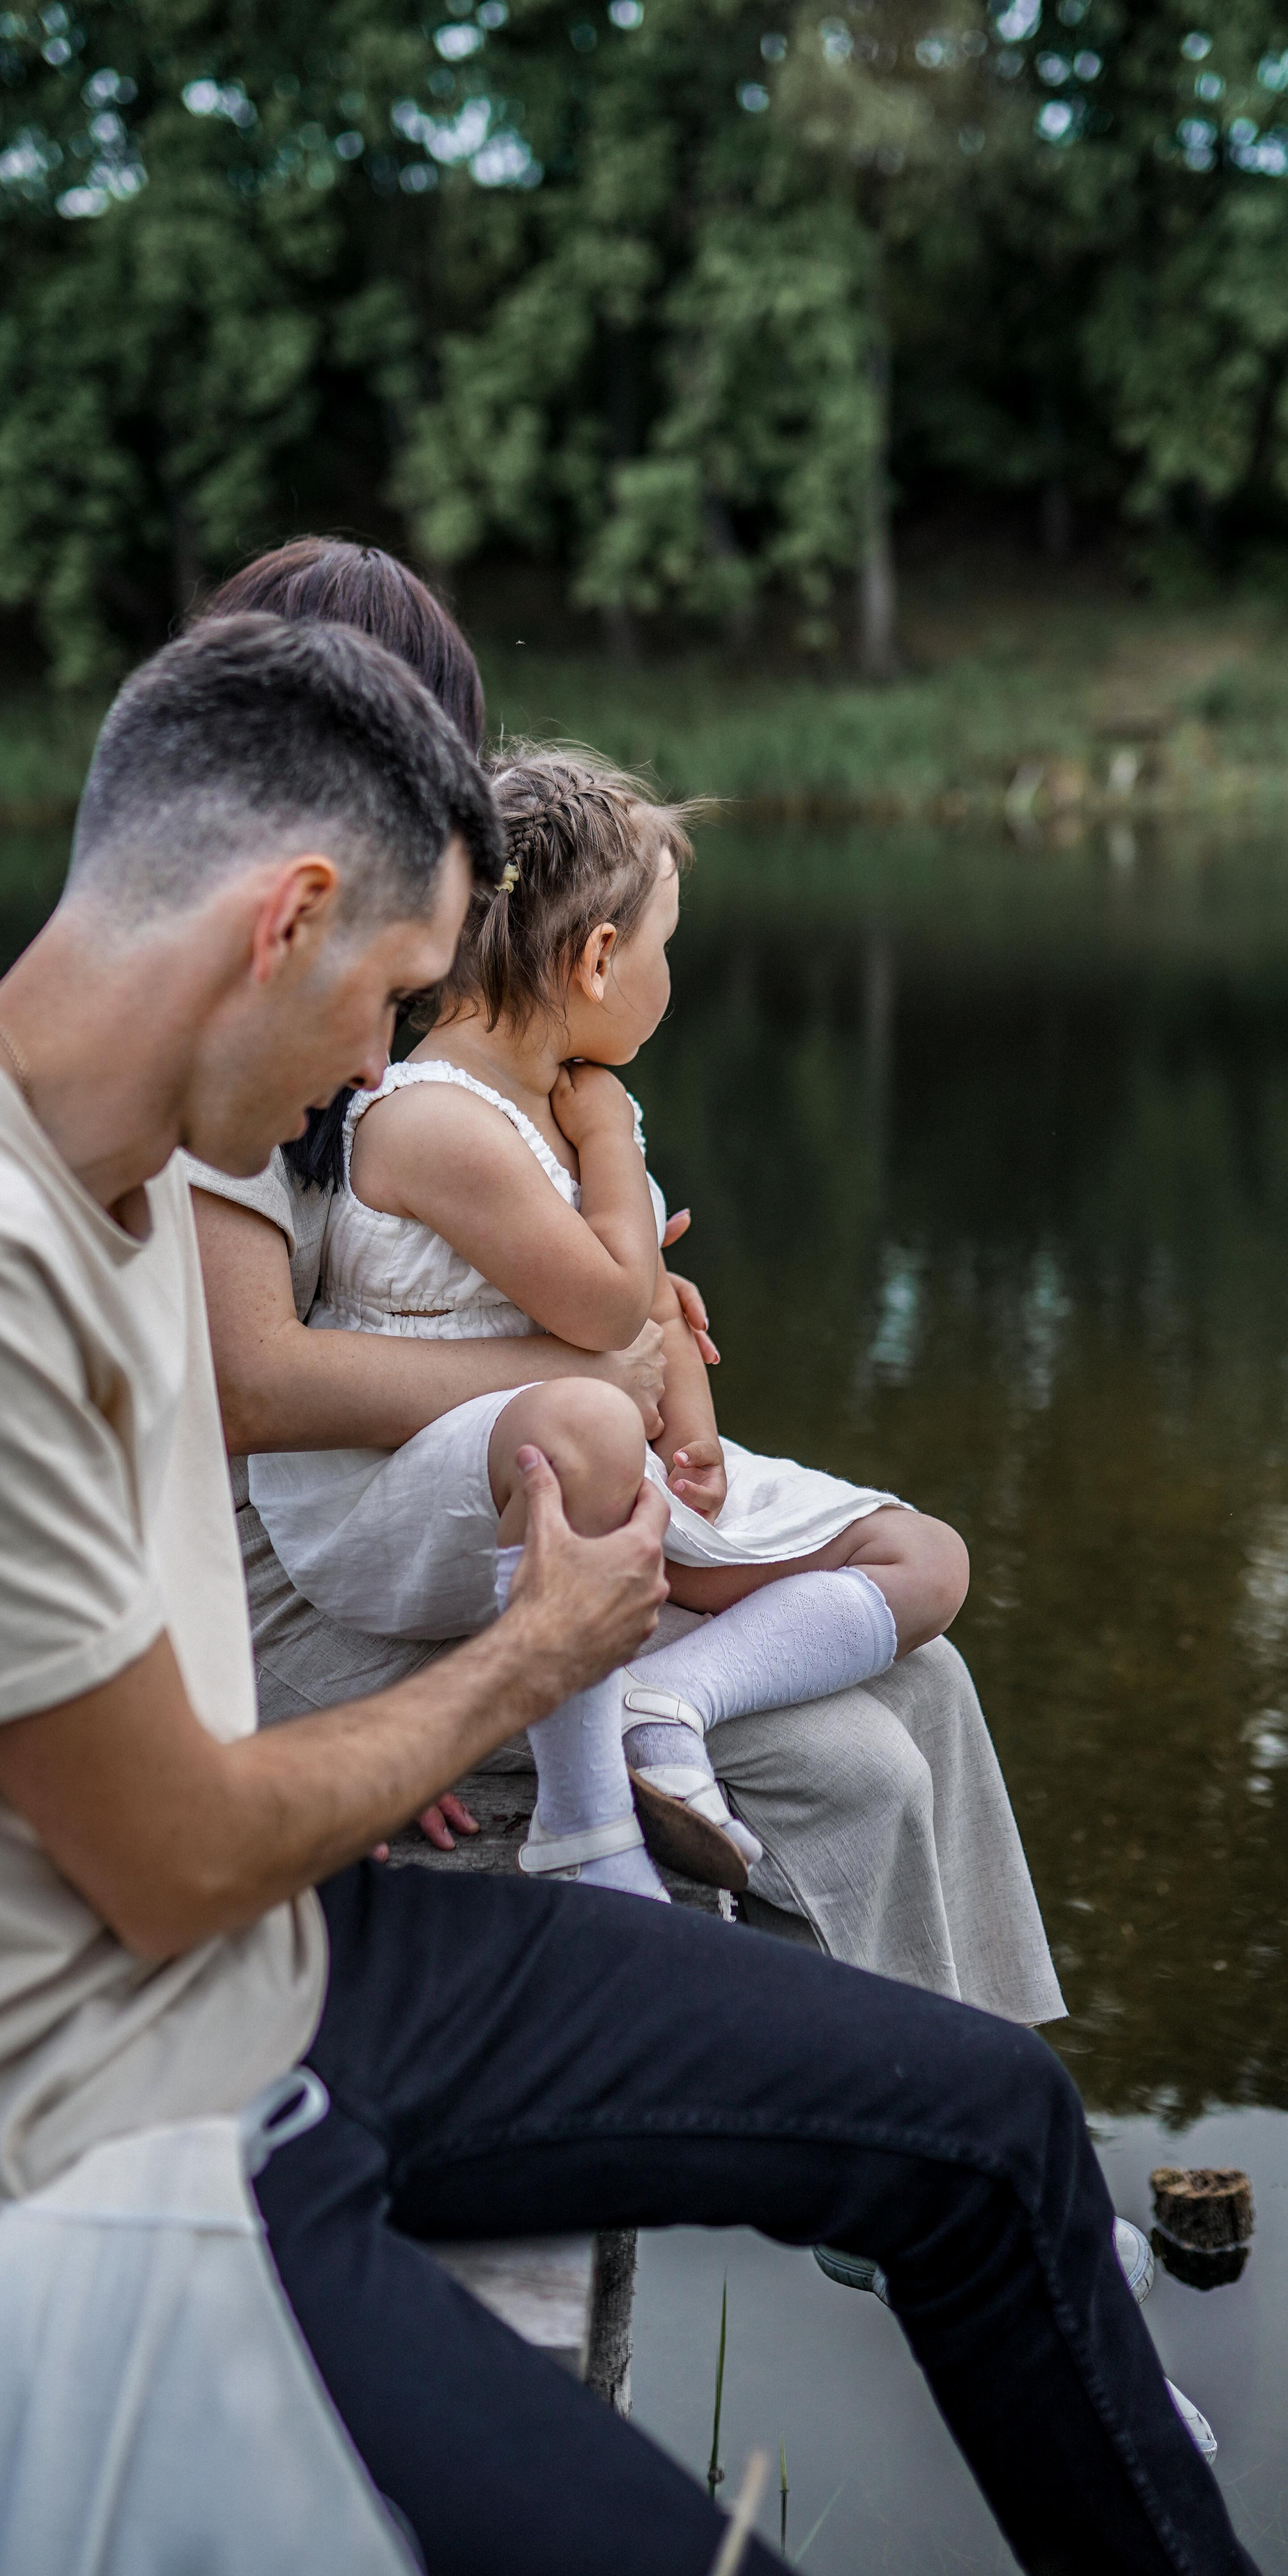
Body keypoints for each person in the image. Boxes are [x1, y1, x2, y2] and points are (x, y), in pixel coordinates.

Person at [0, 611, 1264, 2576]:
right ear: (286, 920)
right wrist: (529, 1659)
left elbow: (164, 1643)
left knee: (992, 2123)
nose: (374, 1063)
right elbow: (172, 1859)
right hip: (75, 2115)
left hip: (283, 1963)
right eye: (389, 992)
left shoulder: (129, 1173)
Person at [186, 539, 1063, 2020]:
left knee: (930, 1681)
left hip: (469, 1501)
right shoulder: (247, 1036)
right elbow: (252, 1384)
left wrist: (627, 1314)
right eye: (429, 781)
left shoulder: (389, 1010)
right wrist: (592, 1363)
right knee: (851, 1767)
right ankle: (882, 2110)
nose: (455, 835)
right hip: (297, 1597)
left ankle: (1001, 2090)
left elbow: (531, 1296)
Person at [249, 746, 970, 1902]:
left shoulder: (554, 1095)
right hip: (407, 1506)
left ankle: (671, 1702)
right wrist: (611, 1143)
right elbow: (607, 1306)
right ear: (594, 958)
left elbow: (649, 1316)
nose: (669, 974)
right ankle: (584, 1823)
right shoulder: (437, 1120)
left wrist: (696, 1437)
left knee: (926, 1560)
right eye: (663, 946)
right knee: (581, 1425)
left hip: (581, 1471)